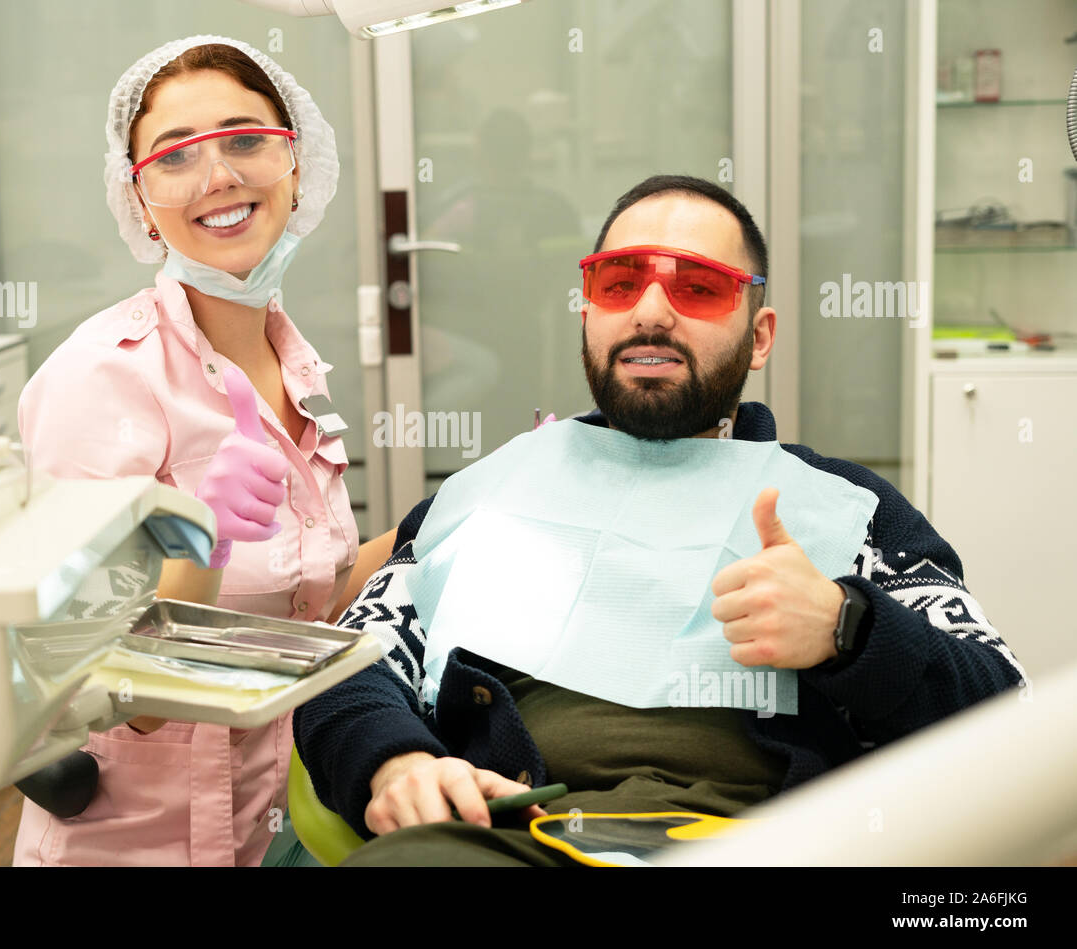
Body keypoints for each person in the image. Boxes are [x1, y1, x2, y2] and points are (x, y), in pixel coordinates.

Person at [294, 174, 1027, 866]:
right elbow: (346, 667)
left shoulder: (850, 510)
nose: (650, 310)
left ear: (761, 335)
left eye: (699, 287)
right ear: (589, 312)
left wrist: (849, 629)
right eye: (619, 283)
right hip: (513, 840)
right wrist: (397, 761)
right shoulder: (489, 494)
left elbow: (1001, 709)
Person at [13, 35, 394, 867]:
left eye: (247, 139)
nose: (219, 176)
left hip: (278, 822)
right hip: (135, 847)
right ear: (139, 200)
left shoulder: (290, 363)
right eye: (176, 157)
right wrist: (203, 546)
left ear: (299, 168)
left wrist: (446, 520)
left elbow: (305, 604)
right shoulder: (100, 378)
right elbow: (107, 689)